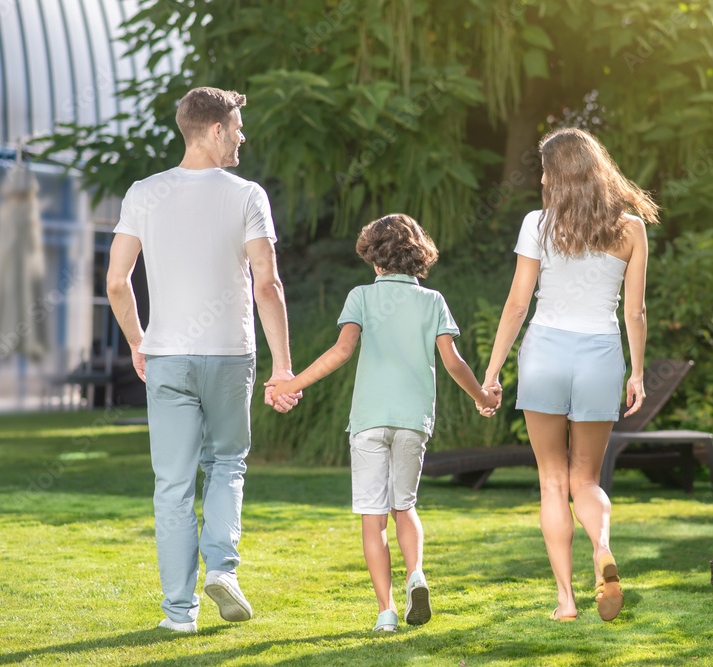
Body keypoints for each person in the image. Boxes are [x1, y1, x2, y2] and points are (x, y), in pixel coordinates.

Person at [106, 86, 302, 633]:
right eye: (237, 127)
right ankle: (223, 569)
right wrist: (283, 367)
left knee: (171, 485)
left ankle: (178, 614)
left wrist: (137, 341)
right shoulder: (247, 196)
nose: (243, 135)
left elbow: (117, 282)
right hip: (229, 355)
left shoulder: (143, 192)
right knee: (227, 466)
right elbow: (268, 284)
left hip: (166, 357)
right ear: (216, 130)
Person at [269, 213, 500, 633]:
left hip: (369, 422)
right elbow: (453, 362)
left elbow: (340, 352)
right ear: (417, 256)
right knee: (405, 507)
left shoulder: (361, 296)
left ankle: (386, 612)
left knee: (372, 519)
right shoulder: (433, 301)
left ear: (374, 258)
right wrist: (482, 397)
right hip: (413, 422)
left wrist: (292, 384)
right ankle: (417, 575)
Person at [479, 127, 658, 621]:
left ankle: (565, 601)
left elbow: (517, 305)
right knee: (586, 478)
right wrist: (637, 373)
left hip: (545, 355)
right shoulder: (631, 229)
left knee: (552, 481)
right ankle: (602, 550)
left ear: (556, 176)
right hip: (601, 356)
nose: (539, 177)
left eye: (544, 169)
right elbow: (635, 312)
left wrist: (492, 371)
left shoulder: (538, 223)